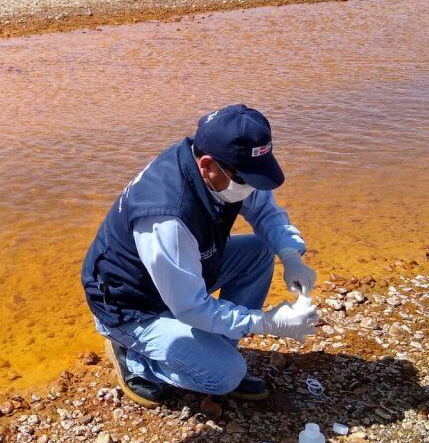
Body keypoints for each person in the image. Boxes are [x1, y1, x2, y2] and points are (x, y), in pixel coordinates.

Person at [81, 104, 319, 407]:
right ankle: (136, 359)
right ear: (207, 165)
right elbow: (191, 307)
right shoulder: (167, 217)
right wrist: (267, 323)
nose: (251, 188)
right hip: (131, 306)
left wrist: (290, 253)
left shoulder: (221, 169)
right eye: (246, 180)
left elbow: (264, 210)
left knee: (260, 251)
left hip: (176, 276)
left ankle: (212, 352)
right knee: (225, 376)